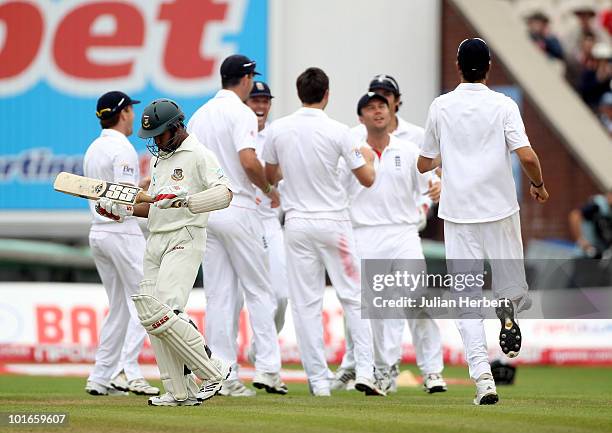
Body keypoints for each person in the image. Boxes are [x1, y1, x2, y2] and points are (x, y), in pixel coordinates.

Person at [417, 38, 549, 405]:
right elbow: (526, 155)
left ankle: (483, 381)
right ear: (488, 67)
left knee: (466, 299)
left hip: (459, 213)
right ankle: (506, 306)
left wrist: (448, 157)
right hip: (500, 209)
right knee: (513, 287)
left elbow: (423, 163)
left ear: (458, 67)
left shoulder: (441, 106)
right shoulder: (503, 104)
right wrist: (538, 185)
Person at [98, 98, 234, 406]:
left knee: (167, 310)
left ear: (176, 127)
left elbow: (225, 194)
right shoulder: (161, 159)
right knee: (149, 314)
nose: (156, 143)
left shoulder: (198, 153)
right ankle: (178, 391)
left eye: (160, 135)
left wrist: (187, 200)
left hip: (185, 235)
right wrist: (122, 209)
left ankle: (215, 369)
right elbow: (156, 208)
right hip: (156, 239)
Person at [263, 67, 384, 397]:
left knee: (306, 305)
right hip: (334, 222)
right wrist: (368, 157)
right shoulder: (340, 132)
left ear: (299, 92)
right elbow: (367, 179)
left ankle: (319, 383)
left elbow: (270, 174)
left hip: (297, 223)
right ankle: (365, 371)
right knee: (355, 297)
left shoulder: (279, 130)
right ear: (327, 94)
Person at [187, 55, 286, 396]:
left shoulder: (199, 116)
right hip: (238, 205)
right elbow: (247, 160)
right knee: (259, 290)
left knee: (219, 296)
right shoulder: (241, 113)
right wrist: (269, 189)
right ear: (244, 80)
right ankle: (270, 369)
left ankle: (222, 375)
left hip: (205, 209)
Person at [335, 74, 441, 392]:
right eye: (372, 104)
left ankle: (431, 370)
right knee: (377, 308)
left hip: (404, 232)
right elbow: (337, 191)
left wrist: (434, 194)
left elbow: (430, 185)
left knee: (415, 296)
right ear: (361, 115)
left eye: (384, 101)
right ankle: (381, 371)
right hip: (364, 233)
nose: (379, 109)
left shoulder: (410, 146)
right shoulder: (352, 146)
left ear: (394, 105)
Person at [83, 91, 159, 397]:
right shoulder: (123, 149)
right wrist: (154, 200)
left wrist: (138, 191)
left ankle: (101, 377)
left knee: (119, 309)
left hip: (98, 233)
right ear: (124, 112)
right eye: (131, 110)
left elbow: (112, 193)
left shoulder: (95, 147)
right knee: (146, 299)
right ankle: (127, 370)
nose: (133, 116)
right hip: (120, 231)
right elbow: (123, 201)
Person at [245, 81, 289, 364]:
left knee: (281, 296)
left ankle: (260, 347)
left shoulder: (276, 135)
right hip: (241, 219)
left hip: (270, 220)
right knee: (234, 297)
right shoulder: (238, 133)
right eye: (255, 101)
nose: (261, 106)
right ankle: (225, 367)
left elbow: (282, 173)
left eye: (265, 101)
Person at [569, 191, 612, 258]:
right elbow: (575, 215)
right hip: (585, 254)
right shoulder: (597, 206)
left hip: (600, 255)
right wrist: (581, 240)